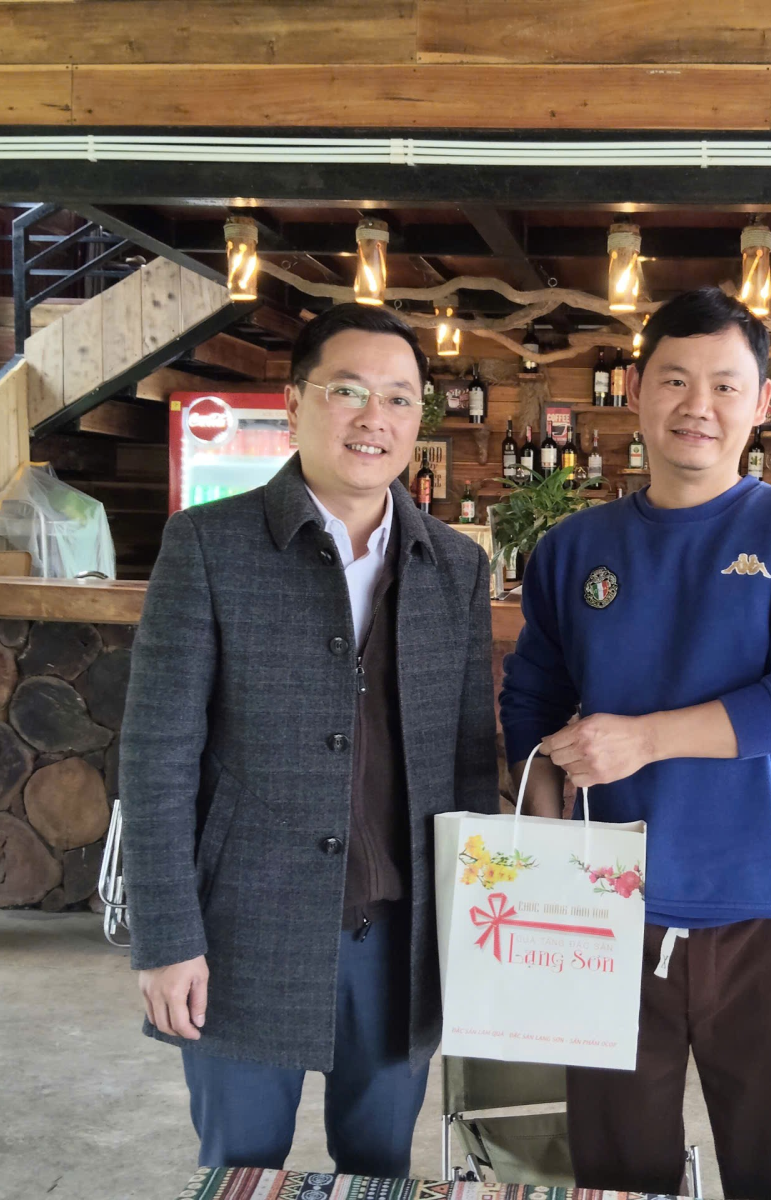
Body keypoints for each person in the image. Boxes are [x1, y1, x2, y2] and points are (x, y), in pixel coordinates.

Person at [499, 288, 771, 1200]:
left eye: (724, 384)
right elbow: (532, 702)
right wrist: (546, 843)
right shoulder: (574, 547)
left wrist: (645, 741)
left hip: (767, 910)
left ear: (762, 403)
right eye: (674, 379)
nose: (696, 405)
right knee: (616, 1174)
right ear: (635, 391)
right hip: (606, 914)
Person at [119, 304, 498, 1174]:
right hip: (242, 934)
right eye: (348, 391)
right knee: (242, 1170)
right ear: (294, 404)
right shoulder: (209, 545)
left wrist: (471, 937)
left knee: (379, 1169)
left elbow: (469, 762)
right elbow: (155, 756)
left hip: (398, 937)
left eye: (399, 398)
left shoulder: (455, 566)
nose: (375, 417)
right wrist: (167, 938)